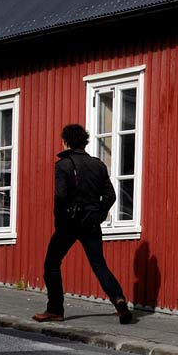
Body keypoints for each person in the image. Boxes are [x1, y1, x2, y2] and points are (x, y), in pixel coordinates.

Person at [32, 123, 135, 324]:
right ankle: (119, 301)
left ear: (65, 141)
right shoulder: (98, 164)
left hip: (69, 223)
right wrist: (99, 213)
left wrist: (60, 221)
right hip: (91, 223)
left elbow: (60, 196)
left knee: (52, 263)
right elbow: (111, 195)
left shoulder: (63, 165)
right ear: (85, 142)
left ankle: (55, 310)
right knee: (99, 264)